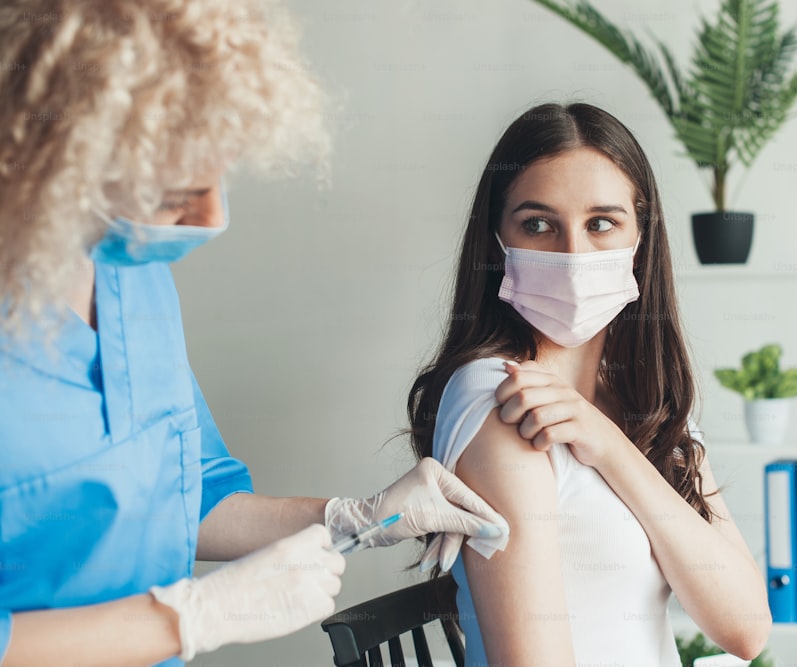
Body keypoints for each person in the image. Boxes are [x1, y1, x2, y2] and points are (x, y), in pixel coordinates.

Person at [0, 2, 506, 666]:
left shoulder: (130, 276)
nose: (213, 215)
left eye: (221, 174)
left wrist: (354, 516)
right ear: (58, 161)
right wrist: (189, 616)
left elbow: (189, 497)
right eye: (175, 192)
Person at [408, 102, 772, 666]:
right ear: (497, 241)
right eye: (538, 224)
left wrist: (611, 448)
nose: (574, 254)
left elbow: (745, 627)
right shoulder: (500, 396)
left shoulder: (645, 402)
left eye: (601, 223)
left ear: (640, 239)